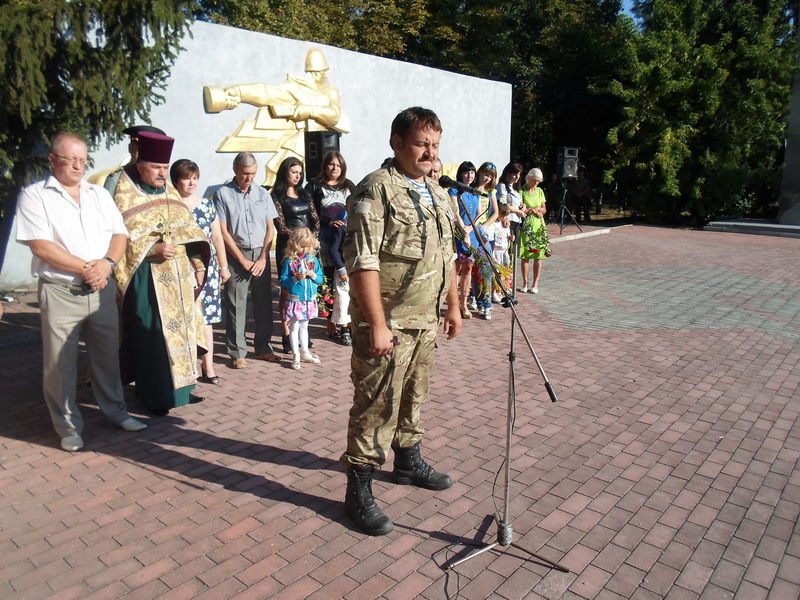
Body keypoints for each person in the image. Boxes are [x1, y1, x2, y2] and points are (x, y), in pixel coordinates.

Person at [341, 106, 462, 536]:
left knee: (414, 396)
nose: (430, 153)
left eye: (434, 144)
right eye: (420, 143)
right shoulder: (377, 189)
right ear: (397, 143)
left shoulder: (440, 193)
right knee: (375, 406)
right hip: (388, 323)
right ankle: (358, 490)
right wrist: (376, 324)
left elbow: (447, 255)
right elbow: (362, 260)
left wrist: (453, 305)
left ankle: (407, 461)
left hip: (425, 320)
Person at [15, 132, 147, 451]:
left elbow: (119, 234)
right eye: (70, 159)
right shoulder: (35, 196)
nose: (78, 165)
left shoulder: (98, 195)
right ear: (52, 160)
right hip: (62, 290)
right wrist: (87, 269)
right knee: (60, 364)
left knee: (106, 354)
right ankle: (68, 425)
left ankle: (115, 411)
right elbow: (40, 245)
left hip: (101, 288)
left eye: (83, 159)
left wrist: (106, 264)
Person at [112, 131, 210, 415]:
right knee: (153, 338)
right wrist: (152, 251)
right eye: (156, 167)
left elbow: (189, 232)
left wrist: (199, 265)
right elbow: (119, 237)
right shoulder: (123, 191)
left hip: (179, 279)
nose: (161, 174)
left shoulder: (169, 192)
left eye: (165, 168)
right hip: (146, 281)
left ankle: (182, 390)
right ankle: (156, 397)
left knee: (182, 333)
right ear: (139, 162)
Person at [214, 152, 280, 368]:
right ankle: (237, 352)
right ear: (235, 170)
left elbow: (270, 227)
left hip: (260, 253)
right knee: (236, 304)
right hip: (236, 254)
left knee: (263, 304)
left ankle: (263, 347)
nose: (249, 178)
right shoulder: (223, 194)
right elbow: (222, 231)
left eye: (252, 173)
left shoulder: (263, 193)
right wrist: (241, 260)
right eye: (245, 174)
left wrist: (263, 257)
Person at [170, 159, 230, 384]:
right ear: (176, 181)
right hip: (181, 269)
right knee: (185, 318)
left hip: (208, 270)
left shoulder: (206, 204)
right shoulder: (171, 205)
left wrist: (223, 266)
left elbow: (217, 237)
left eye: (195, 178)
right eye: (187, 178)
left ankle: (209, 367)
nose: (192, 182)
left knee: (206, 318)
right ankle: (189, 368)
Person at [306, 150, 356, 345]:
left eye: (338, 164)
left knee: (344, 283)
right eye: (331, 164)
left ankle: (346, 324)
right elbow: (310, 212)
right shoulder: (315, 186)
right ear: (325, 166)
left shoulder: (349, 185)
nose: (334, 168)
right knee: (325, 283)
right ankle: (330, 322)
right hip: (323, 239)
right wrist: (327, 221)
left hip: (344, 239)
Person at [271, 157, 320, 353]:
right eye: (294, 172)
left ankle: (302, 331)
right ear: (285, 173)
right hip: (288, 248)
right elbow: (281, 226)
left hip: (308, 248)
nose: (298, 176)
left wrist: (312, 239)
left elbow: (315, 219)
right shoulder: (276, 195)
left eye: (300, 172)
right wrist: (301, 238)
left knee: (305, 286)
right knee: (287, 290)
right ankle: (286, 331)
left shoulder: (305, 194)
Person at [279, 227, 324, 369]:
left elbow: (320, 279)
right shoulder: (289, 261)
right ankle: (296, 355)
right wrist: (295, 278)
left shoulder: (313, 260)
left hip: (309, 298)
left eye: (307, 246)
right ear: (295, 244)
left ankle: (305, 351)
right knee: (294, 327)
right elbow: (283, 281)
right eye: (302, 246)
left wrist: (313, 275)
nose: (304, 250)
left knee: (304, 326)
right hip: (295, 299)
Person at [92, 125, 166, 193]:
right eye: (138, 149)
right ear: (130, 148)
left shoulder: (165, 183)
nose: (143, 154)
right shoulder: (116, 180)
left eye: (148, 151)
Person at [449, 161, 479, 319]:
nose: (470, 176)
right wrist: (463, 230)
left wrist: (471, 229)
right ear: (461, 173)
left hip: (472, 234)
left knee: (468, 267)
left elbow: (479, 215)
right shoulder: (455, 190)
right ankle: (452, 303)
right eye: (467, 173)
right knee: (456, 269)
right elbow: (455, 213)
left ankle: (464, 303)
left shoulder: (475, 192)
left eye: (472, 173)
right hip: (459, 234)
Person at [472, 162, 500, 319]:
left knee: (486, 270)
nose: (486, 178)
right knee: (474, 270)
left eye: (490, 176)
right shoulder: (472, 189)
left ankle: (487, 304)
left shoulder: (491, 192)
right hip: (471, 233)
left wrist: (484, 226)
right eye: (485, 174)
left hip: (484, 235)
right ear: (479, 172)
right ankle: (478, 301)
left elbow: (495, 213)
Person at [518, 167, 551, 294]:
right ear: (529, 178)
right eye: (534, 180)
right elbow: (521, 208)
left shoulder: (540, 191)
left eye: (538, 181)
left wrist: (538, 209)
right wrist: (529, 210)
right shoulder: (522, 191)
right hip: (527, 225)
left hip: (538, 225)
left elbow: (544, 209)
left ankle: (535, 283)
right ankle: (525, 283)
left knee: (538, 256)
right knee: (525, 255)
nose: (536, 183)